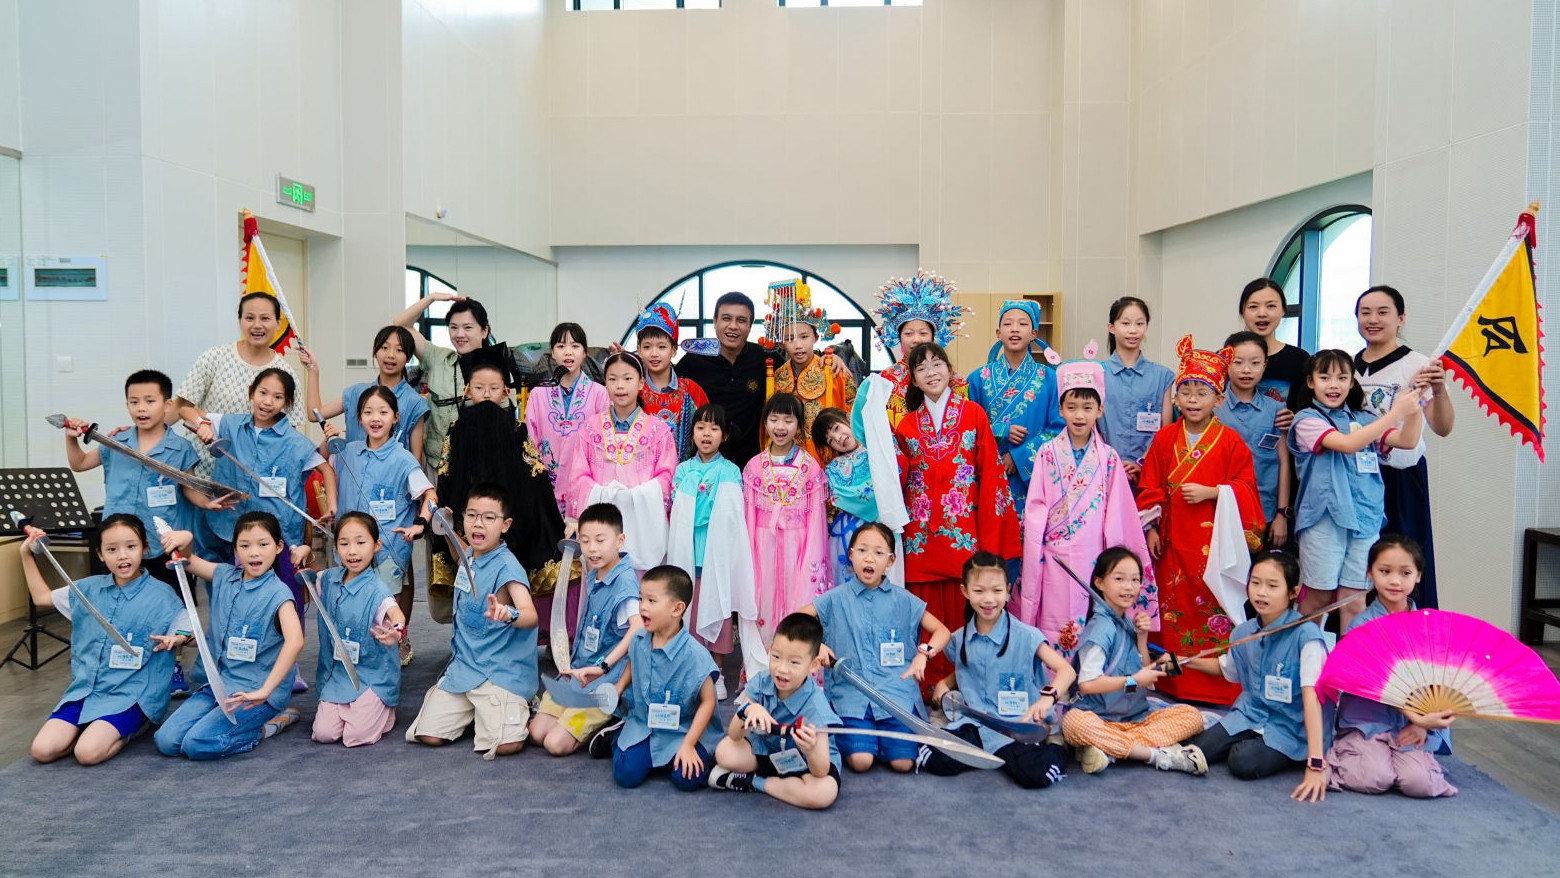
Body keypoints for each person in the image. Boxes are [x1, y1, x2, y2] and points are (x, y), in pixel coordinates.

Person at [1136, 336, 1265, 706]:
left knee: (1212, 611)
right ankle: (1172, 683)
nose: (1193, 400)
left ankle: (1215, 686)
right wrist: (1151, 527)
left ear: (1218, 399)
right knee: (1173, 613)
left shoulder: (1231, 442)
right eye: (1186, 391)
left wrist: (1213, 492)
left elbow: (1247, 488)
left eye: (1202, 393)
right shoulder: (1165, 439)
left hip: (1213, 548)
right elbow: (1149, 486)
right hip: (1172, 544)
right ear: (1175, 397)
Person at [895, 342, 1019, 698]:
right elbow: (898, 478)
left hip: (963, 530)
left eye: (937, 364)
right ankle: (923, 686)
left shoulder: (974, 415)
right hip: (920, 534)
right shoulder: (906, 425)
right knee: (923, 610)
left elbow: (992, 477)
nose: (931, 372)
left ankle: (964, 685)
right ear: (913, 380)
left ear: (950, 370)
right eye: (921, 368)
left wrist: (991, 541)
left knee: (965, 604)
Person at [1019, 344, 1156, 654]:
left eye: (1087, 407)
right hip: (1054, 557)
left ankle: (1093, 675)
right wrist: (1038, 544)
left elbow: (1118, 515)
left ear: (1100, 410)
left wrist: (1113, 561)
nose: (1079, 415)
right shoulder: (1047, 453)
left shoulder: (1108, 458)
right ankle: (1053, 675)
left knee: (1094, 622)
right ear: (1061, 410)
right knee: (1053, 619)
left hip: (1095, 555)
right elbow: (1036, 509)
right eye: (1071, 407)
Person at [21, 515, 187, 765]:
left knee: (87, 753)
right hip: (86, 692)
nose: (122, 556)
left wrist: (179, 638)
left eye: (131, 547)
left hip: (133, 696)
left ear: (145, 548)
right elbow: (41, 597)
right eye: (111, 549)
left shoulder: (163, 595)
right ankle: (89, 731)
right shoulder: (87, 589)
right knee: (42, 751)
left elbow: (189, 631)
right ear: (100, 554)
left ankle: (137, 726)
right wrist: (25, 554)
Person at [1288, 350, 1424, 631]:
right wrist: (1395, 413)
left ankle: (1351, 659)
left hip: (1366, 519)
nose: (1334, 385)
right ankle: (1305, 655)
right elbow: (1347, 444)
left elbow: (1408, 440)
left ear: (1352, 383)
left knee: (1354, 600)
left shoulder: (1364, 419)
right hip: (1324, 520)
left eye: (1342, 378)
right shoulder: (1306, 420)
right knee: (1318, 597)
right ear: (1311, 382)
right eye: (1324, 377)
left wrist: (1418, 401)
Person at [154, 511, 306, 760]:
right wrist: (187, 538)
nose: (254, 553)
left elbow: (296, 641)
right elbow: (188, 559)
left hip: (256, 693)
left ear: (278, 547)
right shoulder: (225, 576)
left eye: (263, 544)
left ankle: (268, 727)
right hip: (219, 685)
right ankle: (225, 722)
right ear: (235, 550)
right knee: (166, 741)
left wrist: (265, 690)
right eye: (245, 546)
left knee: (196, 744)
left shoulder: (279, 594)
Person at [801, 523, 949, 774]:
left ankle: (891, 741)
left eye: (879, 553)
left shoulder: (904, 600)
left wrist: (923, 654)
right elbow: (796, 619)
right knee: (861, 761)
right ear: (851, 555)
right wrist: (817, 644)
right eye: (862, 550)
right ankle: (860, 739)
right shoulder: (835, 598)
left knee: (903, 763)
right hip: (852, 695)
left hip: (895, 694)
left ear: (890, 560)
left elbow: (942, 631)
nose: (869, 558)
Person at [1183, 552, 1330, 803]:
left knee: (1243, 762)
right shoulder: (1244, 632)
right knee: (1197, 749)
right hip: (1250, 713)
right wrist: (1182, 662)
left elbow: (1312, 699)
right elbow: (1227, 670)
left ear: (1293, 593)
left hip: (1291, 725)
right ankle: (1251, 740)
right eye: (1256, 583)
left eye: (1272, 586)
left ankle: (1275, 748)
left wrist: (1316, 762)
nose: (1261, 593)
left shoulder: (1307, 636)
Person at [62, 370, 224, 594]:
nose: (141, 408)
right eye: (134, 402)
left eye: (150, 401)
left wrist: (206, 502)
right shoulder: (115, 441)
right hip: (119, 544)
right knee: (120, 602)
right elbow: (79, 463)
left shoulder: (181, 448)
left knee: (170, 602)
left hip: (163, 543)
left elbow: (188, 487)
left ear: (167, 405)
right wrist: (71, 438)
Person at [406, 484, 539, 758]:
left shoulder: (507, 566)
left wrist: (509, 614)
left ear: (505, 525)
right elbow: (460, 555)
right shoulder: (471, 555)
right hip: (465, 668)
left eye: (489, 518)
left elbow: (530, 614)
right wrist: (446, 527)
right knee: (429, 735)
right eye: (472, 516)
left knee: (506, 745)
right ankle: (482, 713)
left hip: (499, 672)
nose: (478, 523)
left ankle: (521, 705)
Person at [436, 348, 564, 631]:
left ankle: (505, 632)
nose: (486, 394)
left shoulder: (517, 428)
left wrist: (541, 514)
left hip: (508, 518)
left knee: (506, 577)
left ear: (505, 392)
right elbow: (445, 472)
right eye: (479, 388)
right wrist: (447, 511)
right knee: (471, 580)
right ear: (467, 391)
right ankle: (471, 635)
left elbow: (535, 473)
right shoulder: (456, 429)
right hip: (469, 516)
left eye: (494, 388)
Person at [187, 368, 334, 610]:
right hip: (228, 528)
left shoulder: (294, 441)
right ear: (251, 392)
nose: (267, 402)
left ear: (287, 403)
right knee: (232, 598)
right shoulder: (230, 424)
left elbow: (326, 469)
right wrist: (201, 423)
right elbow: (185, 410)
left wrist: (332, 506)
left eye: (277, 397)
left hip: (277, 536)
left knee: (278, 598)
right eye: (263, 393)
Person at [923, 551, 1072, 788]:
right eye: (979, 591)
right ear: (965, 591)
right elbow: (970, 669)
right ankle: (990, 752)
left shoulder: (1027, 636)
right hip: (976, 724)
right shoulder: (959, 639)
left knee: (1037, 774)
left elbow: (1066, 671)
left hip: (1016, 725)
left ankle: (1056, 746)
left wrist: (1047, 699)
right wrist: (945, 683)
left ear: (1008, 590)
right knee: (934, 758)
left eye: (997, 590)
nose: (988, 599)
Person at [1326, 536, 1458, 798]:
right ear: (1370, 573)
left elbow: (1441, 681)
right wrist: (1417, 717)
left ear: (1418, 576)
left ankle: (1401, 761)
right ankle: (1350, 755)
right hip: (1367, 719)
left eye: (1405, 573)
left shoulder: (1429, 627)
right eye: (1385, 571)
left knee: (1420, 783)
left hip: (1411, 723)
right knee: (1375, 779)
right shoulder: (1360, 627)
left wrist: (1422, 724)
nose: (1395, 581)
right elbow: (1376, 683)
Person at [1059, 548, 1207, 775]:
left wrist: (1142, 638)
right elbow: (1087, 684)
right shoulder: (1101, 628)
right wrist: (1134, 679)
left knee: (1191, 716)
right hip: (1097, 716)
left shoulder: (1126, 622)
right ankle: (1157, 755)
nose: (1129, 587)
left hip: (1136, 717)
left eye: (1135, 580)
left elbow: (1143, 672)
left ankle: (1109, 748)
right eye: (1119, 579)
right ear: (1099, 582)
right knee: (1075, 724)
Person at [1353, 285, 1455, 607]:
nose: (1373, 319)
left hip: (1401, 480)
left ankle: (1412, 633)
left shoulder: (1418, 365)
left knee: (1403, 567)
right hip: (1358, 480)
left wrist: (1439, 390)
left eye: (1382, 312)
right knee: (1361, 570)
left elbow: (1443, 428)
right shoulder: (1348, 367)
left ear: (1401, 318)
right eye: (1365, 313)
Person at [326, 384, 435, 665]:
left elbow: (430, 496)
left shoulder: (403, 458)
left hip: (388, 553)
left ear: (395, 418)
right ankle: (354, 665)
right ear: (359, 418)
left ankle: (384, 670)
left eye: (383, 412)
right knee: (351, 610)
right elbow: (319, 462)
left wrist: (420, 524)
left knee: (385, 614)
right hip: (350, 551)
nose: (375, 418)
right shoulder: (346, 451)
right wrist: (328, 438)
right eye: (368, 412)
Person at [529, 503, 643, 756]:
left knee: (555, 744)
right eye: (585, 540)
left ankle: (613, 721)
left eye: (600, 540)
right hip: (579, 673)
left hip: (605, 680)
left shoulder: (624, 582)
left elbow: (638, 629)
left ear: (620, 540)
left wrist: (604, 666)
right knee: (537, 733)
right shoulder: (598, 570)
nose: (592, 548)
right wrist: (573, 525)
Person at [667, 404, 762, 696]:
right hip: (689, 552)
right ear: (692, 433)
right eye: (700, 428)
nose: (706, 434)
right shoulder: (683, 470)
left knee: (718, 612)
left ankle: (717, 673)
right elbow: (677, 510)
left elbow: (731, 514)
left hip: (717, 553)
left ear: (725, 435)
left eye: (714, 428)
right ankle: (690, 671)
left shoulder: (730, 471)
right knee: (689, 612)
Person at [707, 612, 841, 809]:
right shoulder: (762, 682)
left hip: (805, 765)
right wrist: (747, 711)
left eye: (794, 662)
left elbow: (820, 771)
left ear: (813, 666)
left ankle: (753, 782)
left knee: (823, 793)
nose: (782, 669)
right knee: (724, 752)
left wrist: (811, 750)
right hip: (768, 751)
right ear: (769, 650)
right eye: (776, 657)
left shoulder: (816, 707)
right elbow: (734, 735)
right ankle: (781, 784)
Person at [559, 351, 677, 572]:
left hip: (644, 528)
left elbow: (667, 477)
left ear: (641, 383)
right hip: (600, 527)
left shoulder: (659, 431)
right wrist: (606, 495)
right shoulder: (590, 429)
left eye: (627, 378)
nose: (620, 386)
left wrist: (635, 497)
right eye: (612, 379)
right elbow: (577, 477)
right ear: (605, 384)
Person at [611, 565, 723, 791]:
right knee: (625, 775)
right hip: (644, 724)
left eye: (651, 601)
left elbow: (708, 701)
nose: (642, 606)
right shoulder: (639, 639)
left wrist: (689, 744)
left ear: (677, 609)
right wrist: (619, 686)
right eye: (641, 599)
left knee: (687, 779)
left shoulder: (695, 654)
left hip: (683, 729)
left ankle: (683, 754)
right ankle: (617, 736)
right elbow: (634, 660)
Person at [173, 291, 306, 479]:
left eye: (265, 318)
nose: (257, 325)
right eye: (250, 318)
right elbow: (181, 407)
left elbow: (288, 434)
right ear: (240, 321)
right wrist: (142, 433)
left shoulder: (286, 374)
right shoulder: (214, 357)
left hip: (250, 478)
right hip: (201, 473)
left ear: (278, 323)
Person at [310, 513, 406, 747]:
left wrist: (397, 632)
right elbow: (312, 574)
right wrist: (306, 552)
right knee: (323, 734)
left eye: (361, 543)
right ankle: (353, 710)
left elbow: (395, 613)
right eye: (344, 544)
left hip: (372, 676)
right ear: (336, 547)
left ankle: (384, 706)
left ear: (377, 545)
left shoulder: (378, 589)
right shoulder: (330, 579)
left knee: (356, 736)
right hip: (339, 674)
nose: (352, 551)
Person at [744, 393, 831, 644]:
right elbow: (748, 521)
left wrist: (811, 560)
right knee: (762, 604)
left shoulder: (811, 467)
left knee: (797, 601)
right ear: (765, 423)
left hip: (799, 547)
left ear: (799, 425)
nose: (780, 427)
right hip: (762, 548)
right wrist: (748, 561)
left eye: (788, 420)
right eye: (773, 420)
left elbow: (816, 523)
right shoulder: (754, 467)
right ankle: (759, 663)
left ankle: (797, 662)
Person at [854, 269, 971, 437]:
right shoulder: (884, 382)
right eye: (909, 334)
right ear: (899, 337)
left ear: (933, 337)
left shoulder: (955, 382)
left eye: (923, 333)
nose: (916, 340)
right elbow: (865, 428)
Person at [967, 299, 1063, 502]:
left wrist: (1019, 457)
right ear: (998, 333)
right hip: (990, 471)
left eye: (1023, 323)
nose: (1015, 329)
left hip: (1034, 477)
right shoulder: (977, 379)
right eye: (1008, 323)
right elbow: (967, 428)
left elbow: (1059, 429)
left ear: (1034, 333)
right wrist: (1000, 430)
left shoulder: (1050, 378)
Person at [392, 293, 494, 470]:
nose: (459, 334)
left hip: (479, 466)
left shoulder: (496, 370)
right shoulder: (438, 358)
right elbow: (400, 324)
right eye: (453, 327)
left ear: (484, 331)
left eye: (468, 327)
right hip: (436, 463)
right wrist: (432, 298)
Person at [300, 325, 431, 463]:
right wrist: (313, 371)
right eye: (384, 347)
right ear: (375, 352)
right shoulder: (356, 393)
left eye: (399, 350)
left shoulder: (415, 402)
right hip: (353, 472)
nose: (391, 355)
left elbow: (416, 458)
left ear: (408, 357)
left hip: (392, 475)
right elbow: (315, 414)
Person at [761, 279, 856, 460]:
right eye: (790, 339)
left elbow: (855, 417)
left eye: (804, 337)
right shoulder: (776, 377)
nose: (798, 345)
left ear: (815, 337)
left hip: (832, 461)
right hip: (789, 463)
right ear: (781, 343)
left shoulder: (835, 371)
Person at [674, 292, 770, 467]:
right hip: (705, 463)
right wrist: (629, 362)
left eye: (741, 320)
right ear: (715, 321)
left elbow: (797, 367)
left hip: (753, 464)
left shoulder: (764, 358)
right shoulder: (693, 361)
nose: (733, 326)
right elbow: (662, 380)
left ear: (750, 326)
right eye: (726, 318)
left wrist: (826, 360)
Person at [1216, 331, 1293, 548]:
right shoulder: (1213, 407)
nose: (1246, 370)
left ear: (1264, 365)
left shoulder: (1277, 409)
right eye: (1238, 362)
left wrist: (1282, 514)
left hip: (1265, 510)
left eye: (1255, 363)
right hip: (1221, 509)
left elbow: (1283, 463)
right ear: (1225, 363)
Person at [524, 322, 609, 513]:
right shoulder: (537, 394)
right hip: (545, 488)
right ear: (552, 353)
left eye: (575, 346)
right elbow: (530, 440)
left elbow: (605, 441)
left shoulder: (599, 393)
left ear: (585, 352)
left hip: (585, 488)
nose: (568, 352)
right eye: (561, 346)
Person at [1098, 297, 1175, 484]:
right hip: (1103, 472)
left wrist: (1143, 463)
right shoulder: (1097, 373)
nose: (1133, 330)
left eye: (1140, 324)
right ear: (1111, 327)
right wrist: (1111, 462)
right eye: (1125, 323)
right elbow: (1091, 426)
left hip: (1149, 473)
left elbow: (1166, 430)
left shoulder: (1162, 376)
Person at [813, 406, 887, 586]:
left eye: (837, 428)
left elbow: (887, 485)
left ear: (848, 418)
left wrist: (846, 497)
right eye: (831, 440)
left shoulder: (878, 448)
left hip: (881, 527)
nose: (838, 438)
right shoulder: (832, 469)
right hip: (843, 537)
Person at [633, 303, 709, 460]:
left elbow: (709, 433)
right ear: (639, 350)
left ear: (673, 350)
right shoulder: (634, 390)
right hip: (642, 470)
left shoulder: (691, 390)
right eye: (647, 347)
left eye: (662, 347)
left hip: (686, 471)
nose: (654, 353)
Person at [1238, 277, 1310, 407]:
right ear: (1242, 312)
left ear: (1283, 310)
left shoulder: (1299, 359)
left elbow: (1305, 408)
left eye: (1271, 306)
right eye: (1253, 306)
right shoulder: (1226, 357)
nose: (1262, 313)